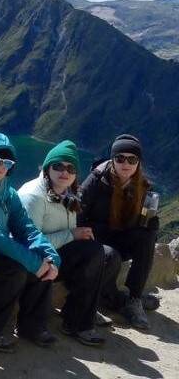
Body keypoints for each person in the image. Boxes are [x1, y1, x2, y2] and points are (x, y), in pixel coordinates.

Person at [0, 131, 61, 353]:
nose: (0, 166)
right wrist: (34, 264)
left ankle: (32, 326)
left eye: (6, 162)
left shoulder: (6, 190)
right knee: (16, 270)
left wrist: (49, 255)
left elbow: (25, 227)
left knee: (40, 262)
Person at [18, 140, 109, 346]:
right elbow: (29, 242)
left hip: (56, 249)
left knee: (107, 255)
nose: (64, 172)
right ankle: (32, 326)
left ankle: (77, 315)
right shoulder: (33, 196)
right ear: (47, 168)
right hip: (30, 256)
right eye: (58, 166)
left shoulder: (68, 193)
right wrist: (71, 235)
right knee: (77, 255)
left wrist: (75, 235)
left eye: (71, 168)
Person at [79, 134, 159, 330]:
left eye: (132, 159)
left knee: (147, 237)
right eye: (120, 158)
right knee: (110, 254)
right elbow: (78, 214)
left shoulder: (141, 185)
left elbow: (141, 222)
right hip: (96, 238)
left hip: (121, 235)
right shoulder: (96, 181)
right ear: (112, 159)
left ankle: (134, 298)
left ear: (138, 162)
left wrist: (151, 224)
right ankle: (101, 301)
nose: (126, 164)